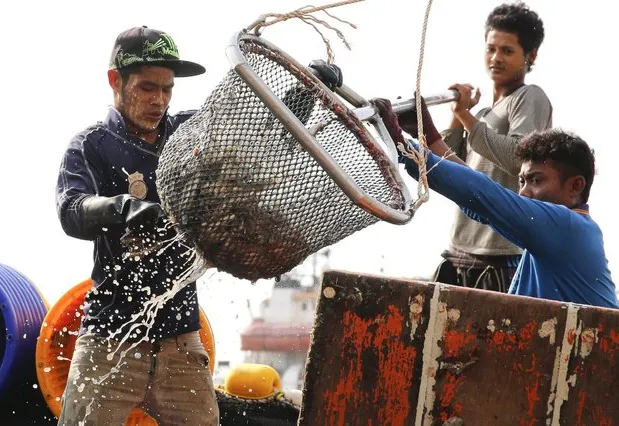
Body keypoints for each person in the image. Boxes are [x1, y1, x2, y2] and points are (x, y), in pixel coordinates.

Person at [55, 26, 342, 425]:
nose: (158, 100)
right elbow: (72, 209)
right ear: (115, 81)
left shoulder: (190, 133)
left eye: (167, 89)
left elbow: (259, 133)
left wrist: (306, 92)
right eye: (145, 88)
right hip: (110, 340)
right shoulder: (92, 145)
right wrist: (122, 207)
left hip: (182, 343)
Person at [373, 98, 619, 309]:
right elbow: (483, 198)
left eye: (536, 180)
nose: (524, 192)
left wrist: (404, 148)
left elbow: (485, 195)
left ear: (575, 186)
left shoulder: (566, 227)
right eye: (521, 181)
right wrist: (428, 137)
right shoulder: (557, 232)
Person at [399, 2, 552, 293]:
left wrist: (465, 116)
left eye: (508, 51)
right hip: (460, 250)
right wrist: (447, 120)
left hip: (501, 255)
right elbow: (453, 171)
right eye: (491, 49)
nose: (496, 58)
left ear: (530, 56)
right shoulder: (481, 117)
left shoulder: (530, 97)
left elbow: (517, 157)